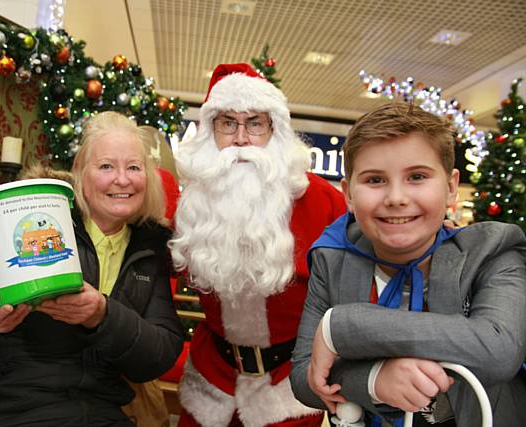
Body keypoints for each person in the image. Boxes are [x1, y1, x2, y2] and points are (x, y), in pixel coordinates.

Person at [0, 111, 184, 426]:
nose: (122, 179)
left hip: (93, 411)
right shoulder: (30, 220)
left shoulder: (149, 247)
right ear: (81, 173)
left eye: (133, 167)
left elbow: (159, 353)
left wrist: (102, 316)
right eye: (106, 166)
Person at [290, 102, 526, 427]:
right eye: (375, 180)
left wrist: (342, 326)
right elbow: (304, 377)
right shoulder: (333, 257)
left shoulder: (492, 252)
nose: (396, 197)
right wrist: (374, 380)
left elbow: (498, 348)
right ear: (347, 194)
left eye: (417, 176)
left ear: (451, 186)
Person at [169, 63, 346, 426]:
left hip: (289, 386)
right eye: (227, 123)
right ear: (211, 131)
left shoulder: (325, 202)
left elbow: (352, 300)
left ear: (274, 131)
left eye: (255, 123)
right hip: (210, 376)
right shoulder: (192, 205)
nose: (241, 139)